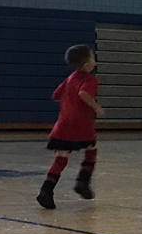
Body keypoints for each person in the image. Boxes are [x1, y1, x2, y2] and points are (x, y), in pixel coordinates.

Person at [37, 45, 105, 209]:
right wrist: (96, 107)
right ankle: (83, 181)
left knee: (62, 157)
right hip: (81, 124)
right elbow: (83, 94)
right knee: (91, 149)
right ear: (87, 63)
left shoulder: (69, 78)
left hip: (62, 125)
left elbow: (55, 95)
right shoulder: (90, 80)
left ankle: (46, 190)